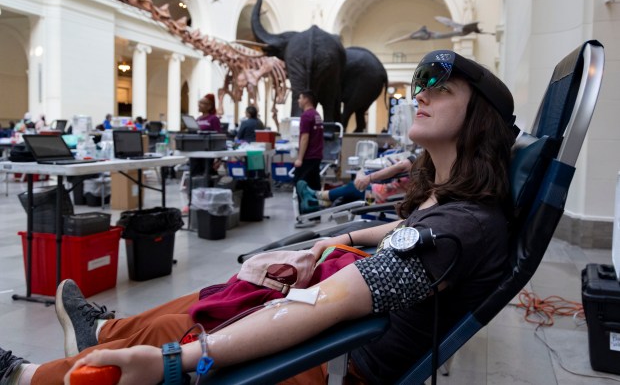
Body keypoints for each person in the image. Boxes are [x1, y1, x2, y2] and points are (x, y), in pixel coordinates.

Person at [0, 50, 518, 385]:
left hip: (335, 362)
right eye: (422, 86)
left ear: (479, 119)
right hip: (342, 340)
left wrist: (174, 365)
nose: (421, 95)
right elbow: (402, 230)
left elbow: (322, 307)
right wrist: (335, 241)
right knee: (208, 297)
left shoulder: (459, 227)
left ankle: (27, 378)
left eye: (441, 90)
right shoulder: (447, 199)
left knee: (181, 329)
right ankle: (98, 337)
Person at [297, 154, 416, 212]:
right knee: (348, 195)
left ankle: (316, 196)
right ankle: (316, 202)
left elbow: (395, 169)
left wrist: (367, 178)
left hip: (378, 199)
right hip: (381, 195)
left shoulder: (409, 164)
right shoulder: (416, 168)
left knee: (355, 188)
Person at [293, 90, 324, 191]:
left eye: (300, 98)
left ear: (306, 100)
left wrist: (300, 159)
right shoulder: (316, 115)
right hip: (317, 155)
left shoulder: (306, 116)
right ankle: (315, 206)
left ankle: (304, 206)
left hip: (308, 156)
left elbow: (305, 138)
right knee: (314, 185)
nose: (298, 101)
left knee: (300, 184)